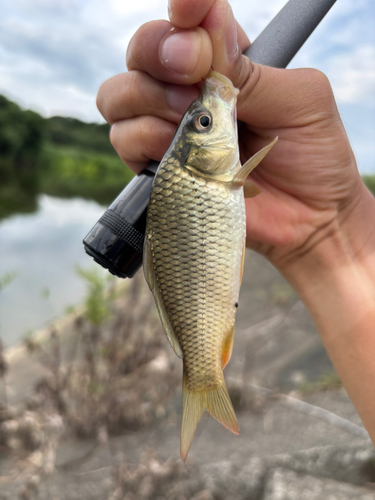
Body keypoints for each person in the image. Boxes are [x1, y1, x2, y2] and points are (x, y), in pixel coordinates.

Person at [97, 0, 375, 444]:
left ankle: (201, 378)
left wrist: (331, 225)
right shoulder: (223, 175)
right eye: (206, 122)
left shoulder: (209, 172)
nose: (210, 115)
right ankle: (202, 378)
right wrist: (329, 232)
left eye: (200, 122)